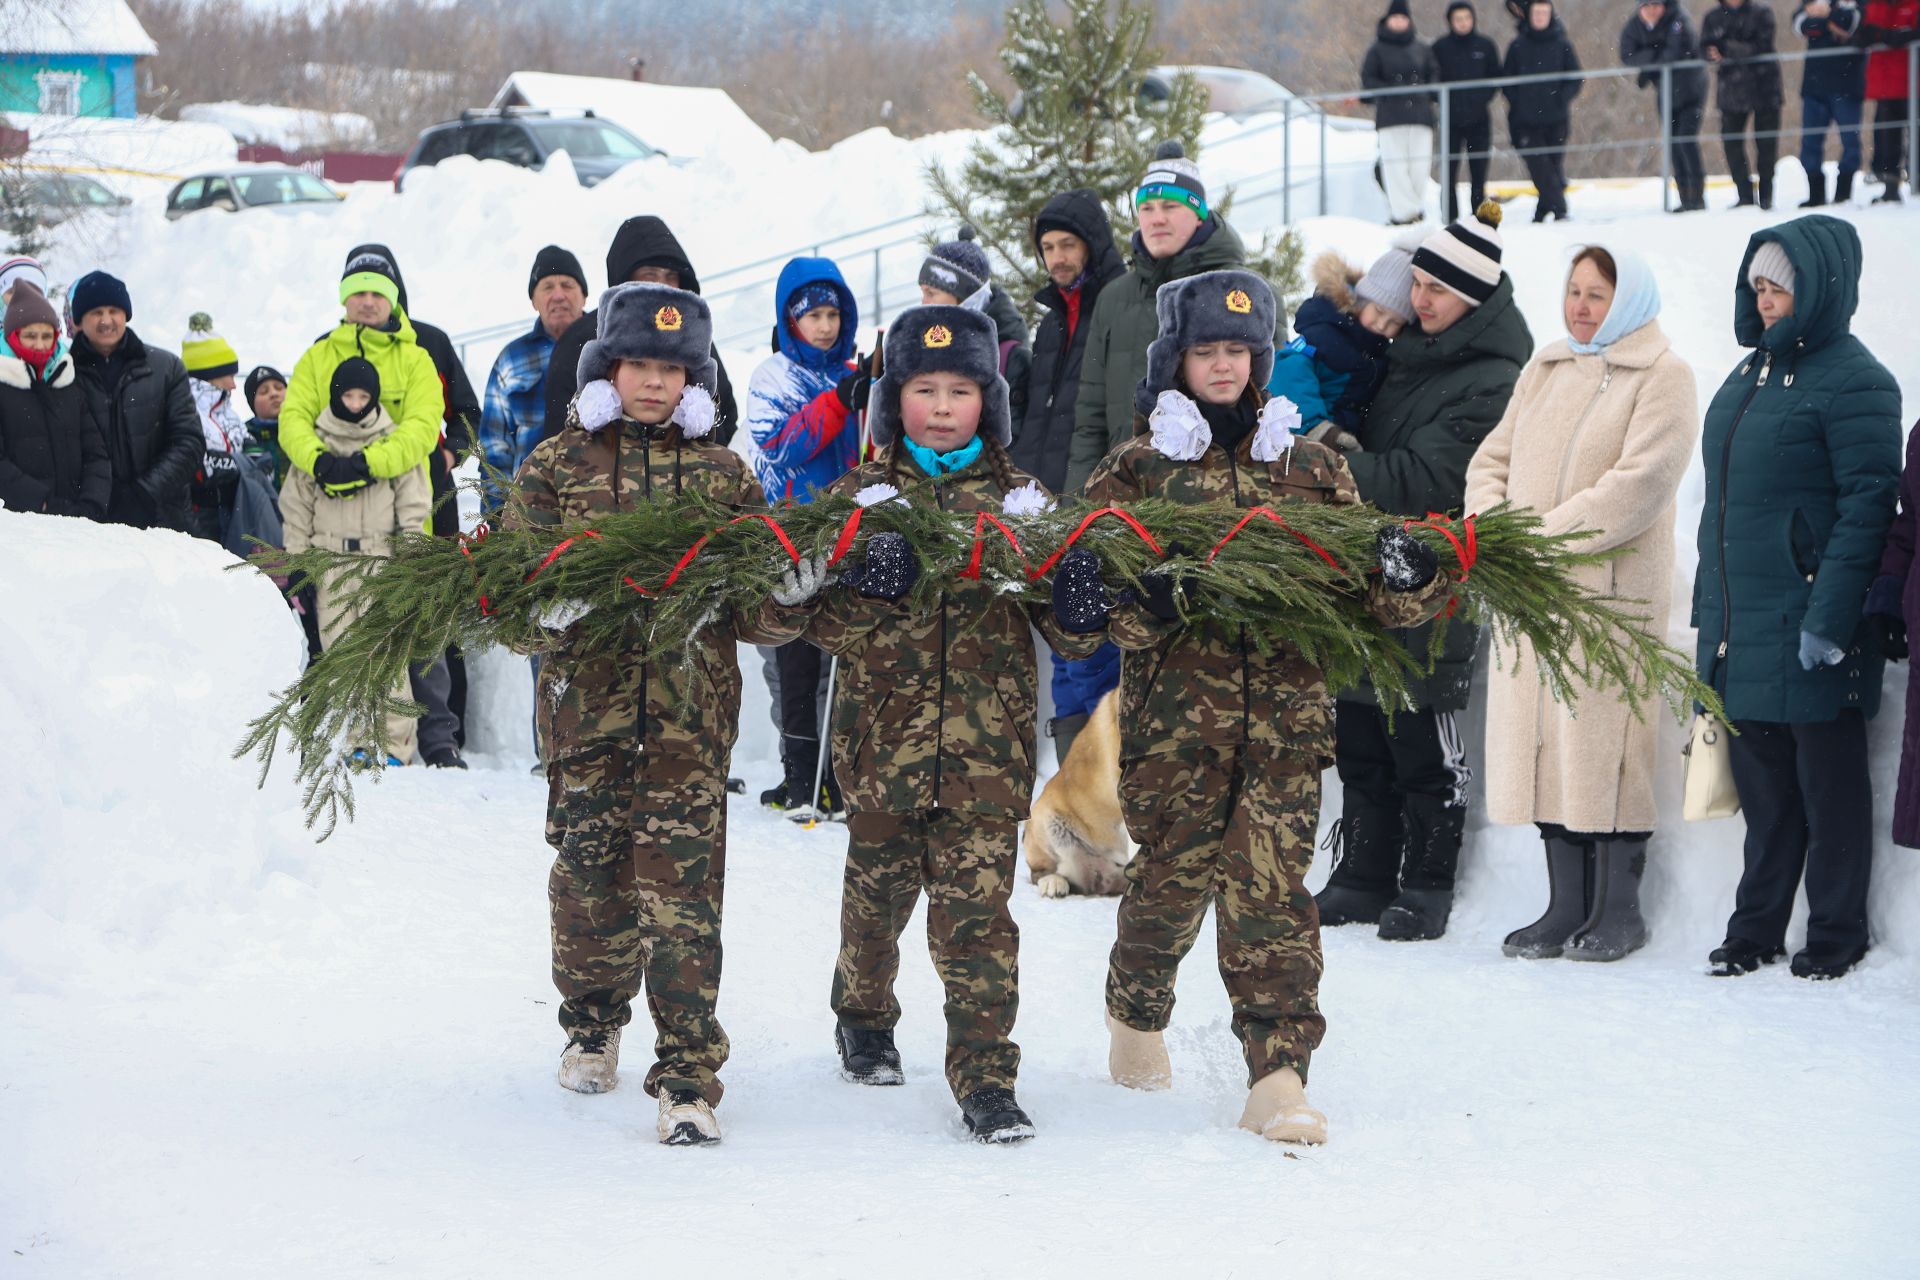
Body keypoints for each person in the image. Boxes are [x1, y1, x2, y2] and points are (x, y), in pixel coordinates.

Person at [1067, 269, 1447, 1146]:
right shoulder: (1137, 470)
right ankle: (1136, 1010)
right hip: (1176, 736)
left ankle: (1277, 1075)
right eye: (1207, 349)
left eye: (1239, 349)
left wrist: (1407, 579)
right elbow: (1079, 606)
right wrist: (1143, 608)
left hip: (1284, 732)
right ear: (1178, 357)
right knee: (1168, 891)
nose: (1225, 365)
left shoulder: (1309, 465)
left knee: (1272, 898)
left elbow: (1365, 597)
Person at [506, 283, 808, 1146]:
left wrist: (786, 597)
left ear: (695, 377)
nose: (654, 382)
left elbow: (757, 611)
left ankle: (687, 1074)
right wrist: (544, 612)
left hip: (687, 725)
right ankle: (592, 1024)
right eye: (639, 363)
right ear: (611, 366)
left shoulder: (722, 476)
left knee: (684, 900)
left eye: (673, 368)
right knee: (590, 883)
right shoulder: (556, 465)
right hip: (586, 723)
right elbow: (505, 589)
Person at [802, 305, 1100, 1144]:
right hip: (882, 750)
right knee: (876, 906)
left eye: (960, 390)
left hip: (983, 758)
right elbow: (815, 627)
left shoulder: (1021, 502)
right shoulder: (859, 498)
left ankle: (986, 1076)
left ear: (987, 403)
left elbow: (1067, 633)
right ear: (896, 399)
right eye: (924, 389)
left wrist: (1081, 606)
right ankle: (863, 1016)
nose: (941, 406)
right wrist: (865, 589)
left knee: (978, 921)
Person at [1465, 245, 1699, 963]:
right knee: (1543, 744)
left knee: (1606, 747)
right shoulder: (1547, 367)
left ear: (1628, 300)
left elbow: (1640, 485)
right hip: (1535, 595)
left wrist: (1537, 539)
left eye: (1598, 294)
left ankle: (1619, 910)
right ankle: (1564, 905)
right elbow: (1490, 461)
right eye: (1573, 291)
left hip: (1609, 595)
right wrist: (1492, 528)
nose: (1581, 306)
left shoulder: (1665, 376)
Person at [1315, 204, 1533, 942]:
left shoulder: (1493, 378)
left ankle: (1428, 881)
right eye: (1420, 284)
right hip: (1367, 568)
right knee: (1360, 729)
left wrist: (1325, 456)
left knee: (1420, 731)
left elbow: (1426, 478)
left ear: (1474, 298)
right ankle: (1364, 873)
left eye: (1439, 289)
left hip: (1433, 573)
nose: (1423, 299)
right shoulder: (1408, 355)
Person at [1695, 216, 1900, 982]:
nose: (1767, 300)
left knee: (1829, 792)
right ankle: (1754, 931)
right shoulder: (1748, 373)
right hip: (1743, 621)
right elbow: (1723, 514)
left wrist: (1831, 618)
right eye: (1758, 286)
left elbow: (1867, 510)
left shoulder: (1859, 380)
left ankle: (1838, 932)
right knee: (1765, 794)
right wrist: (1710, 613)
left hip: (1814, 622)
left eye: (1779, 286)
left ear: (1819, 290)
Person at [277, 254, 464, 769]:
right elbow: (292, 419)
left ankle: (432, 739)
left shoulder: (416, 357)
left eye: (377, 292)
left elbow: (424, 427)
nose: (366, 301)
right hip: (333, 524)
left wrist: (365, 464)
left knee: (415, 635)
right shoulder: (319, 356)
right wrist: (319, 462)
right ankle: (351, 738)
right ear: (344, 299)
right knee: (342, 641)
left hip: (406, 519)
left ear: (393, 298)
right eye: (357, 292)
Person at [1011, 188, 1127, 763]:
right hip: (1046, 503)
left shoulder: (1116, 307)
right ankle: (1073, 785)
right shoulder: (1052, 321)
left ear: (1092, 244)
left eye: (1068, 245)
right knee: (1064, 648)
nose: (1057, 258)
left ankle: (1104, 784)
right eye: (1048, 247)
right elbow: (1040, 412)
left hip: (1095, 501)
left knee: (1094, 649)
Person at [745, 256, 863, 814]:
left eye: (832, 313)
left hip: (849, 535)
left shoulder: (855, 374)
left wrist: (868, 400)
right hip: (791, 534)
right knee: (793, 663)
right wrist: (837, 404)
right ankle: (799, 777)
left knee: (841, 662)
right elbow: (782, 446)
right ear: (790, 319)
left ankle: (837, 779)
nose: (825, 325)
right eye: (812, 314)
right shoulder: (771, 377)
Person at [1066, 142, 1249, 497]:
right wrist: (1078, 507)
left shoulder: (1240, 290)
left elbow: (1264, 406)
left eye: (1170, 206)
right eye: (1146, 208)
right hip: (1124, 495)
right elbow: (1089, 419)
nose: (1156, 218)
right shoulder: (1113, 297)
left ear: (1198, 213)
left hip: (1212, 500)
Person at [278, 356, 432, 768]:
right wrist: (298, 564)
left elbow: (413, 509)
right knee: (343, 654)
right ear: (335, 395)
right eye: (348, 394)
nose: (356, 402)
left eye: (364, 395)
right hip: (331, 562)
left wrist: (411, 561)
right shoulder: (316, 445)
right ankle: (355, 743)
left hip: (380, 560)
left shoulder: (391, 444)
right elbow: (296, 510)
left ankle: (396, 745)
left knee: (388, 655)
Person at [541, 216, 739, 448]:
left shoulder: (692, 339)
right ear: (624, 279)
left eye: (670, 276)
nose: (661, 285)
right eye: (650, 275)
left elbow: (724, 419)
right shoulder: (580, 339)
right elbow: (558, 438)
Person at [67, 271, 201, 530]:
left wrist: (144, 493)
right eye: (96, 312)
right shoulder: (63, 375)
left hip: (164, 522)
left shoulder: (166, 367)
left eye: (113, 311)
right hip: (89, 524)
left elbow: (189, 442)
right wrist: (94, 499)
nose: (106, 321)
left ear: (125, 315)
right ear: (79, 320)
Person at [1267, 243, 1416, 450]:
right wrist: (1317, 429)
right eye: (1379, 311)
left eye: (1395, 322)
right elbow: (1288, 369)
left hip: (1346, 445)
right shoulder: (1326, 331)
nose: (1382, 325)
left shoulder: (1378, 350)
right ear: (1361, 300)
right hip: (1306, 442)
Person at [479, 245, 587, 496]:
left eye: (568, 285)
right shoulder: (511, 359)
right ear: (533, 301)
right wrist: (500, 516)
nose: (559, 295)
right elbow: (494, 447)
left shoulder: (607, 346)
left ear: (584, 296)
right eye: (547, 287)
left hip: (600, 508)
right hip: (529, 510)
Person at [0, 281, 109, 520]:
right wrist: (44, 503)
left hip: (79, 521)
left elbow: (96, 453)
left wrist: (92, 502)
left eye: (46, 336)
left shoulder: (67, 381)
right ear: (12, 336)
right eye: (30, 336)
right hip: (22, 526)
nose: (40, 345)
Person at [916, 228, 1032, 416]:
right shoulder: (928, 345)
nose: (923, 302)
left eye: (931, 293)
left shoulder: (1009, 356)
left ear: (964, 296)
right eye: (922, 292)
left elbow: (1013, 433)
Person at [1624, 0, 1712, 212]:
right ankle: (1685, 197)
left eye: (1656, 5)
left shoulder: (1678, 20)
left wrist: (1649, 62)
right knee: (1673, 144)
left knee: (1686, 141)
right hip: (1666, 92)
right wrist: (1654, 59)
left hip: (1691, 89)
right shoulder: (1636, 25)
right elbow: (1627, 53)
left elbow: (1673, 53)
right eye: (1647, 6)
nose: (1652, 11)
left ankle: (1697, 197)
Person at [1504, 1, 1584, 221]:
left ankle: (1542, 209)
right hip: (1526, 120)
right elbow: (1507, 81)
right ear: (1529, 15)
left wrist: (1561, 98)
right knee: (1538, 164)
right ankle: (1559, 208)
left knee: (1553, 165)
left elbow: (1575, 77)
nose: (1540, 17)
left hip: (1556, 117)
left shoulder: (1562, 43)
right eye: (1537, 13)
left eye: (1544, 13)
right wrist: (1519, 102)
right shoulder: (1517, 45)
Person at [1363, 0, 1442, 224]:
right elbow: (1368, 80)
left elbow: (1434, 75)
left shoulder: (1422, 48)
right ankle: (1404, 214)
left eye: (1403, 18)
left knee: (1419, 166)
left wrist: (1424, 91)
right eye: (1395, 18)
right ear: (1388, 20)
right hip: (1391, 117)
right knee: (1394, 166)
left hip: (1420, 116)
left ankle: (1415, 208)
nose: (1399, 22)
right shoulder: (1376, 50)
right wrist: (1391, 91)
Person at [1703, 0, 1786, 209]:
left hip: (1765, 87)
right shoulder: (1713, 18)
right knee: (1732, 143)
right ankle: (1745, 196)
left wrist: (1727, 49)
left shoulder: (1762, 13)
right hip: (1731, 90)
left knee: (1766, 145)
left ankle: (1766, 196)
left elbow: (1762, 46)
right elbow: (1704, 47)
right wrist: (1711, 53)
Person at [179, 312, 251, 544]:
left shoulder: (225, 411)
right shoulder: (185, 411)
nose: (233, 384)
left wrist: (253, 455)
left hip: (230, 516)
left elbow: (246, 446)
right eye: (227, 376)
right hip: (199, 522)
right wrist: (225, 465)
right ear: (207, 377)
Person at [1434, 3, 1501, 223]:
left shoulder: (1485, 46)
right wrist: (1446, 101)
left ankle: (1478, 219)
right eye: (1458, 18)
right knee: (1449, 172)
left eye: (1466, 18)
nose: (1463, 22)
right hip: (1451, 120)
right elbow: (1432, 79)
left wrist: (1480, 98)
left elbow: (1495, 77)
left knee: (1479, 172)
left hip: (1479, 120)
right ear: (1451, 21)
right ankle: (1449, 218)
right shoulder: (1440, 48)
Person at [1794, 1, 1866, 205]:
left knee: (1851, 142)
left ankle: (1843, 194)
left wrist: (1826, 15)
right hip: (1814, 87)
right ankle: (1815, 194)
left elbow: (1849, 23)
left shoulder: (1855, 3)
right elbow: (1801, 26)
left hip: (1847, 86)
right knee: (1810, 143)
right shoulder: (1814, 2)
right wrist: (1829, 21)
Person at [1860, 0, 1920, 203]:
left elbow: (1907, 35)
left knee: (1916, 137)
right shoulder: (1873, 6)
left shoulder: (1914, 5)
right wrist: (1887, 35)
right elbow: (1861, 36)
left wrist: (1884, 35)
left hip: (1913, 83)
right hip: (1885, 86)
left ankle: (1917, 185)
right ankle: (1890, 188)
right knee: (1887, 140)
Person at [243, 364, 290, 488]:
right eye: (264, 392)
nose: (274, 394)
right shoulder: (243, 436)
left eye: (279, 388)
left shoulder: (306, 429)